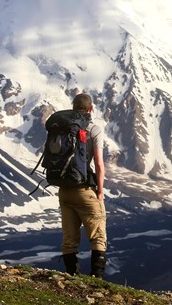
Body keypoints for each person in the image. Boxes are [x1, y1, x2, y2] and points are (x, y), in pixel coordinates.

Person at [60, 93, 107, 278]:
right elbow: (99, 164)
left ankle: (73, 277)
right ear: (91, 109)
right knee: (98, 236)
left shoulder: (62, 128)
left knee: (69, 239)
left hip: (64, 190)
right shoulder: (94, 130)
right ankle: (97, 278)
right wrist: (100, 191)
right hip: (84, 189)